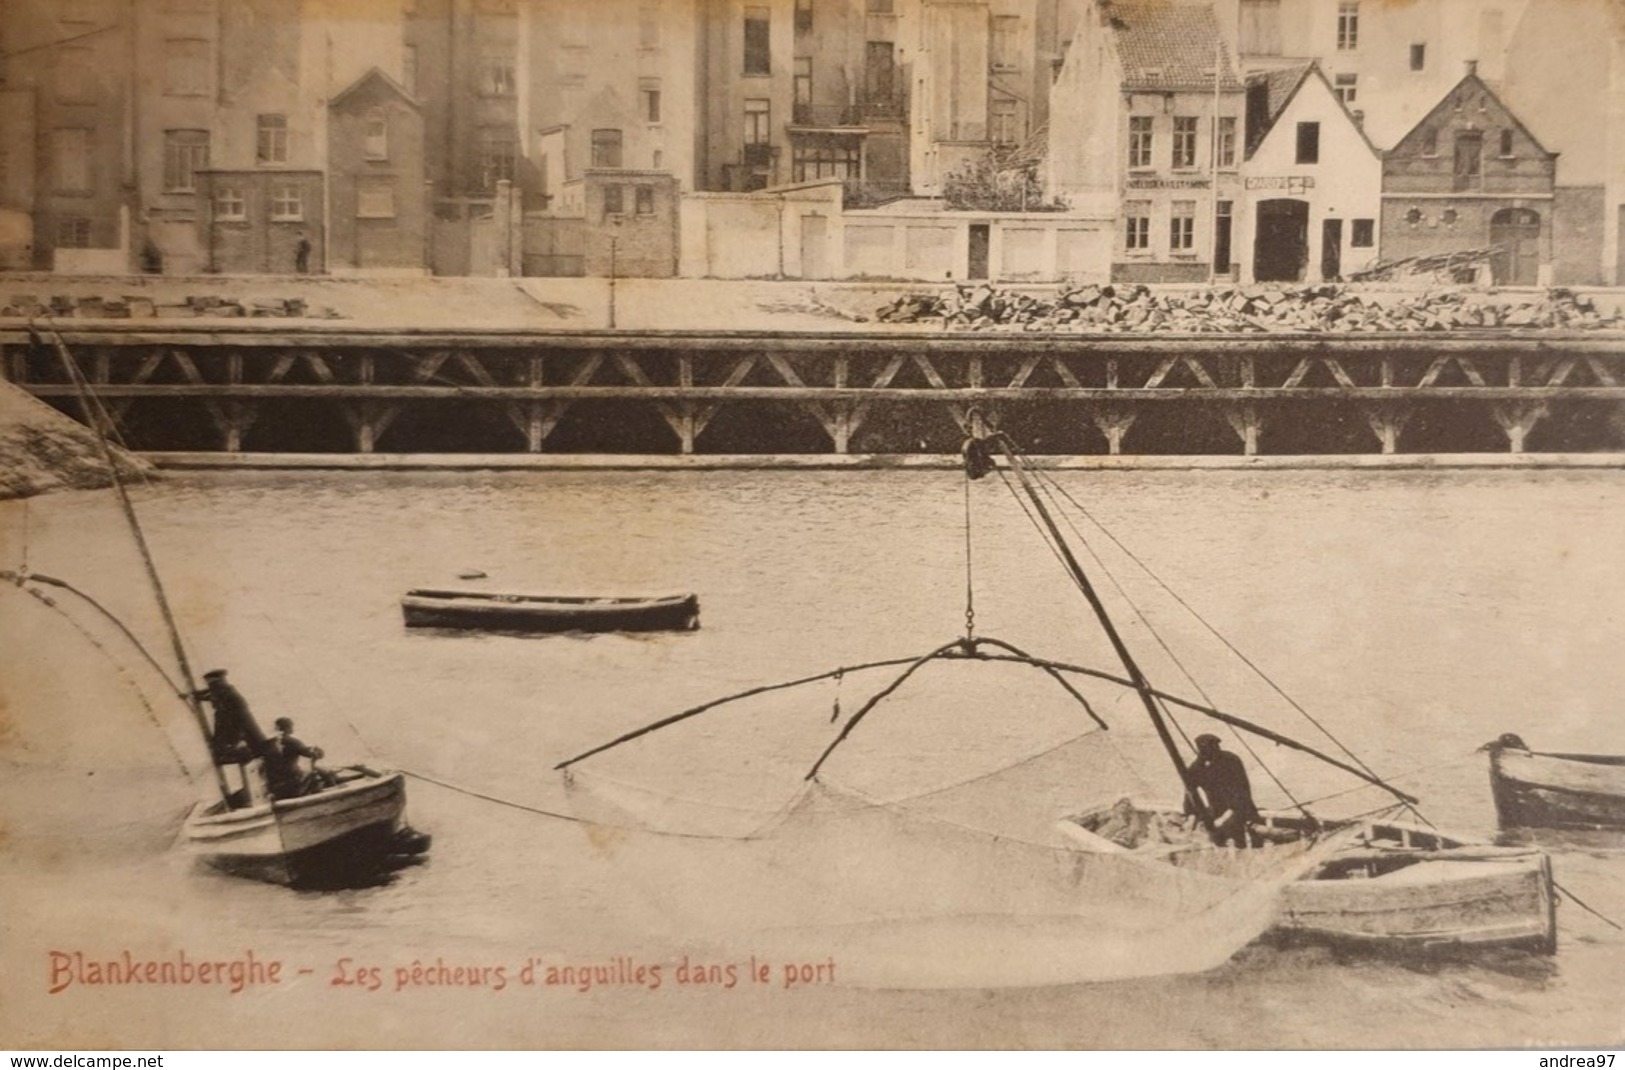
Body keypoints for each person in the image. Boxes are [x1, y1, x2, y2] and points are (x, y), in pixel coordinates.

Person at [194, 669, 268, 807]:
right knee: (236, 757)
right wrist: (195, 695)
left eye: (213, 684)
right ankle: (247, 795)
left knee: (237, 757)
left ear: (219, 683)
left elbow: (241, 720)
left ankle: (249, 796)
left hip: (242, 736)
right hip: (237, 736)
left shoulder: (229, 697)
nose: (211, 688)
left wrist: (239, 739)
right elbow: (210, 695)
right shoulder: (225, 693)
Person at [1184, 733, 1260, 848]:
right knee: (1213, 834)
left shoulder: (1231, 760)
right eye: (1203, 749)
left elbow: (1241, 792)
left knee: (1235, 834)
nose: (1208, 752)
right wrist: (1190, 814)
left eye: (1211, 747)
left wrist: (1224, 817)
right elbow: (1190, 791)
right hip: (1216, 811)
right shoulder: (1198, 766)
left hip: (1240, 810)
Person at [264, 716, 326, 799]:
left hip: (274, 785)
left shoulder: (269, 743)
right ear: (288, 727)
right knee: (319, 774)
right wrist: (317, 752)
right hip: (292, 783)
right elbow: (309, 753)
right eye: (291, 726)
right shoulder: (293, 742)